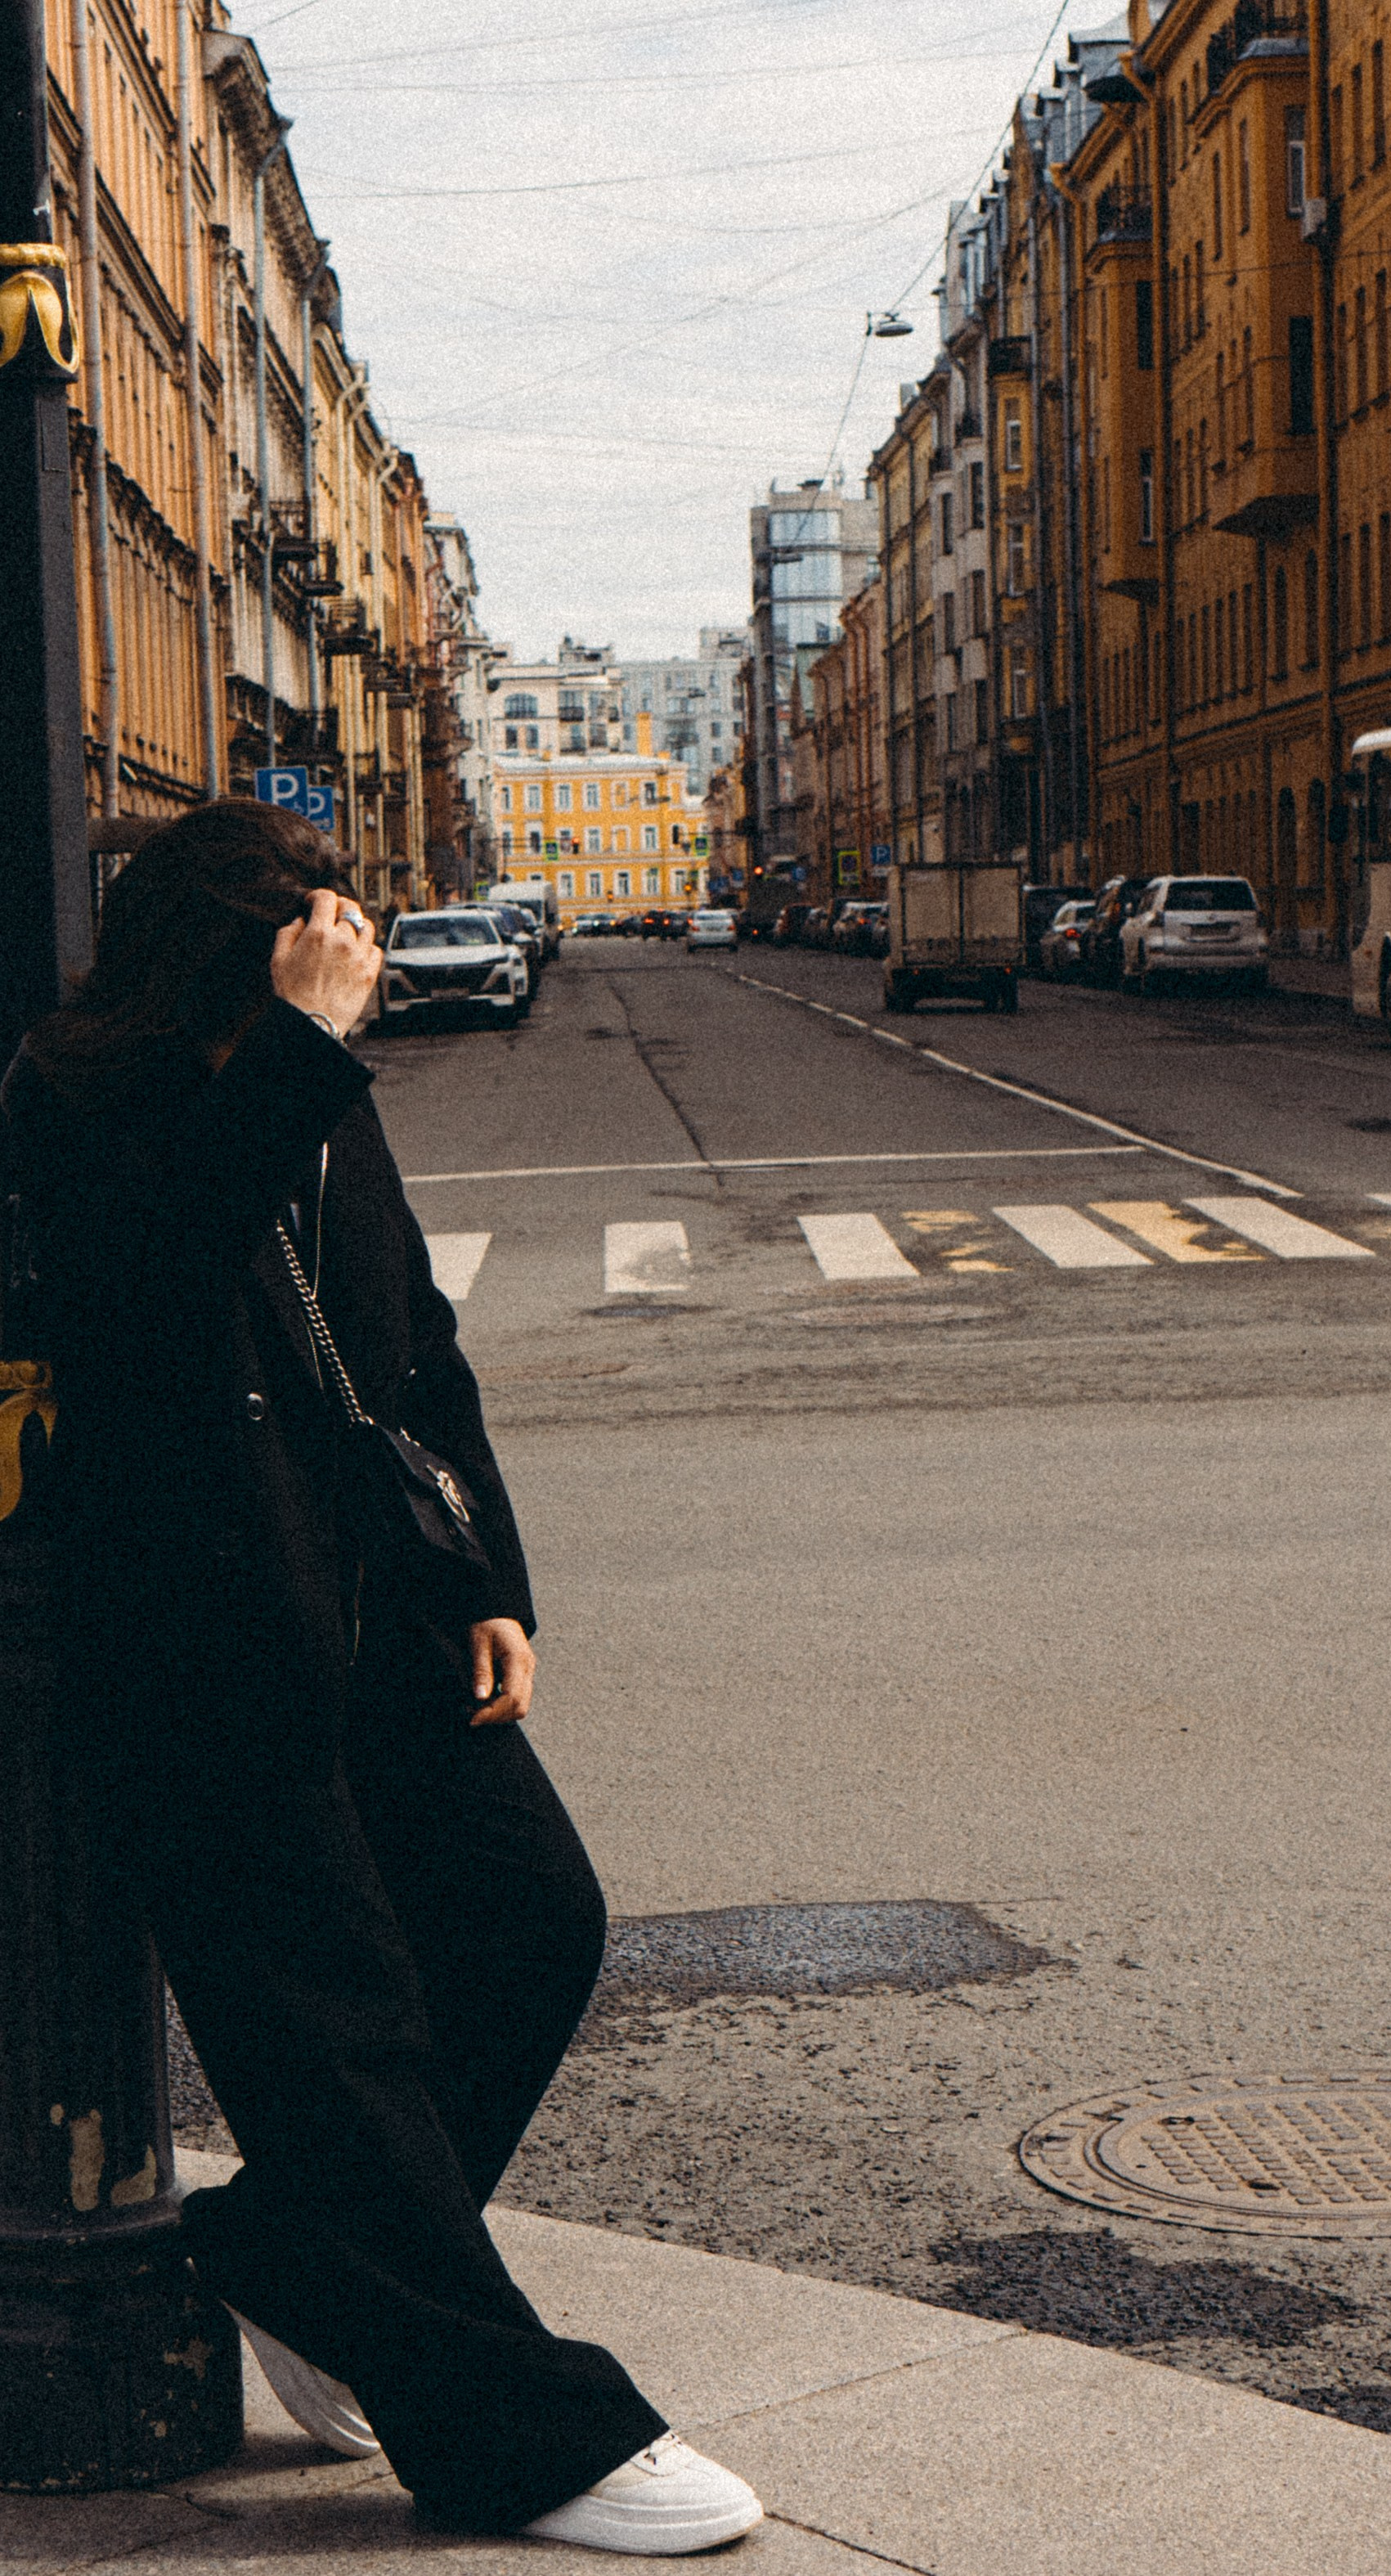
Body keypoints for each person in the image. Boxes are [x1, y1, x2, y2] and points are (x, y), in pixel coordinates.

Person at [0, 802, 762, 2553]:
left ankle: (297, 2259)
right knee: (332, 2042)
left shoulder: (303, 1094)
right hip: (201, 1644)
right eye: (296, 966)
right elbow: (152, 1287)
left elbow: (412, 1342)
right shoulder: (81, 1099)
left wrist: (487, 1574)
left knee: (529, 1925)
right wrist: (289, 1049)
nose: (340, 983)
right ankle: (515, 2433)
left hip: (381, 1615)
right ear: (217, 970)